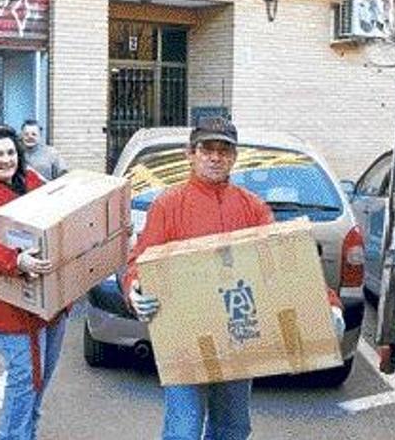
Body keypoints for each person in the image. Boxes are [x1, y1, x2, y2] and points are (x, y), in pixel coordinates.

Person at [121, 116, 345, 440]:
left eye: (224, 150)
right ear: (191, 153)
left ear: (234, 157)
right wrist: (134, 288)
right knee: (183, 431)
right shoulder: (168, 206)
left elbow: (285, 266)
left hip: (238, 337)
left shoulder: (252, 208)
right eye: (207, 149)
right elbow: (140, 260)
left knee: (232, 429)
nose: (215, 157)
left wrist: (329, 304)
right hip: (185, 338)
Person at [0, 125, 67, 440]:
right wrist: (16, 260)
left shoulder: (33, 181)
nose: (5, 159)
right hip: (10, 307)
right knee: (24, 381)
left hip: (50, 302)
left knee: (39, 382)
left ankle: (27, 434)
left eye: (10, 152)